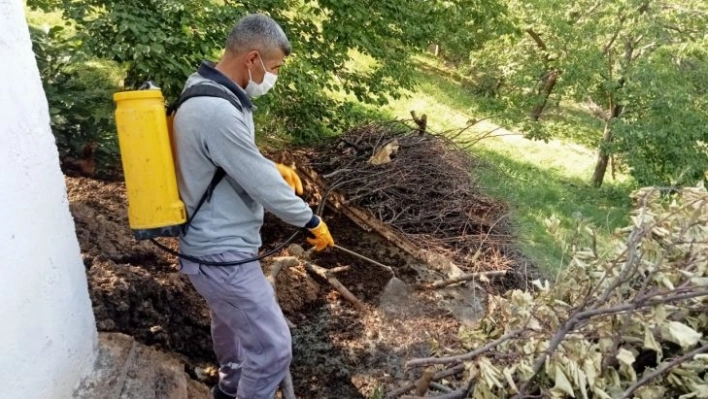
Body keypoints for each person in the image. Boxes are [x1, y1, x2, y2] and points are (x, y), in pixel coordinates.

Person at [172, 13, 335, 399]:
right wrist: (310, 220)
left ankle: (228, 390)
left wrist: (269, 165)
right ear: (252, 59)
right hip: (220, 253)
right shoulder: (216, 110)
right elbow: (262, 186)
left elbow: (229, 158)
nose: (273, 76)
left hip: (209, 248)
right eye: (274, 67)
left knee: (230, 325)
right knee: (275, 347)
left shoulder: (204, 88)